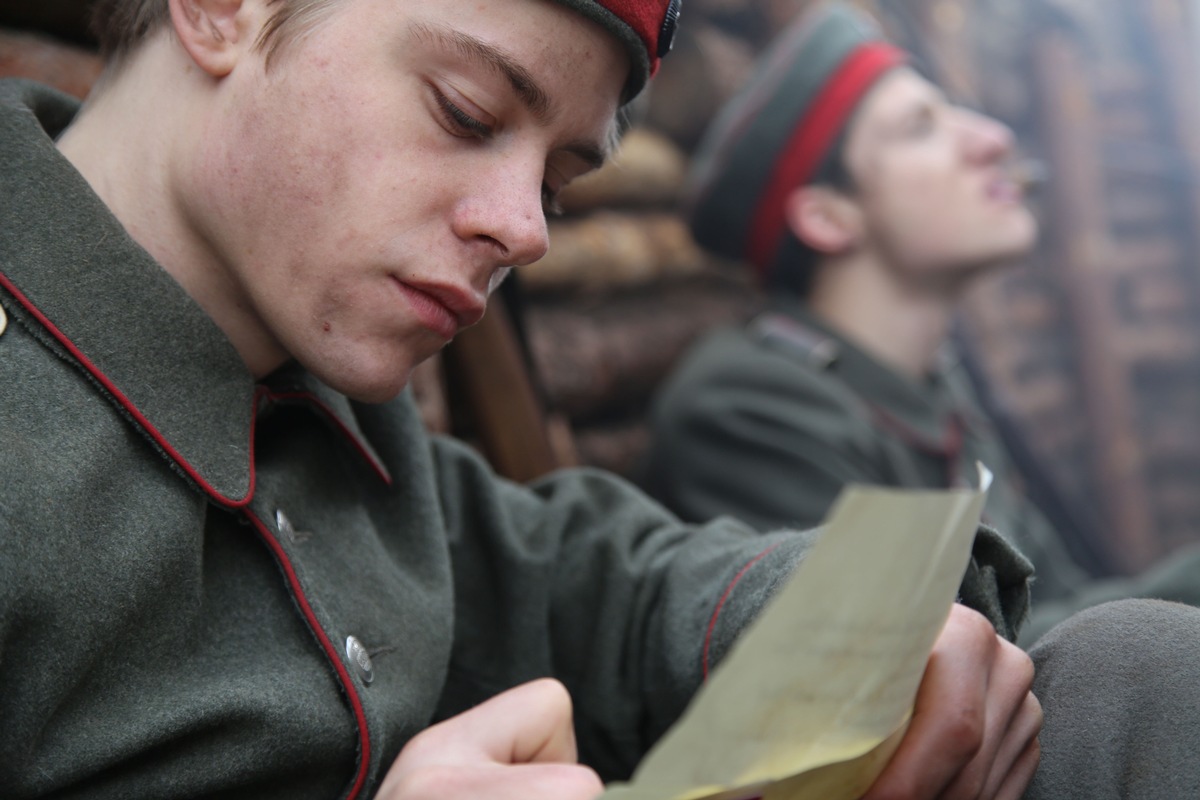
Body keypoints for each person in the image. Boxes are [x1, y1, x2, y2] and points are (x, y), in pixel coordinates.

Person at [1, 0, 1198, 798]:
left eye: (561, 177)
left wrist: (854, 627)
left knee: (1134, 676)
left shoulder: (326, 395)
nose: (523, 228)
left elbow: (584, 580)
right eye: (464, 111)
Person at [641, 0, 1200, 647]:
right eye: (920, 127)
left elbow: (1061, 601)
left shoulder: (939, 393)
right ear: (827, 217)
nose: (992, 140)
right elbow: (926, 665)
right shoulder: (747, 413)